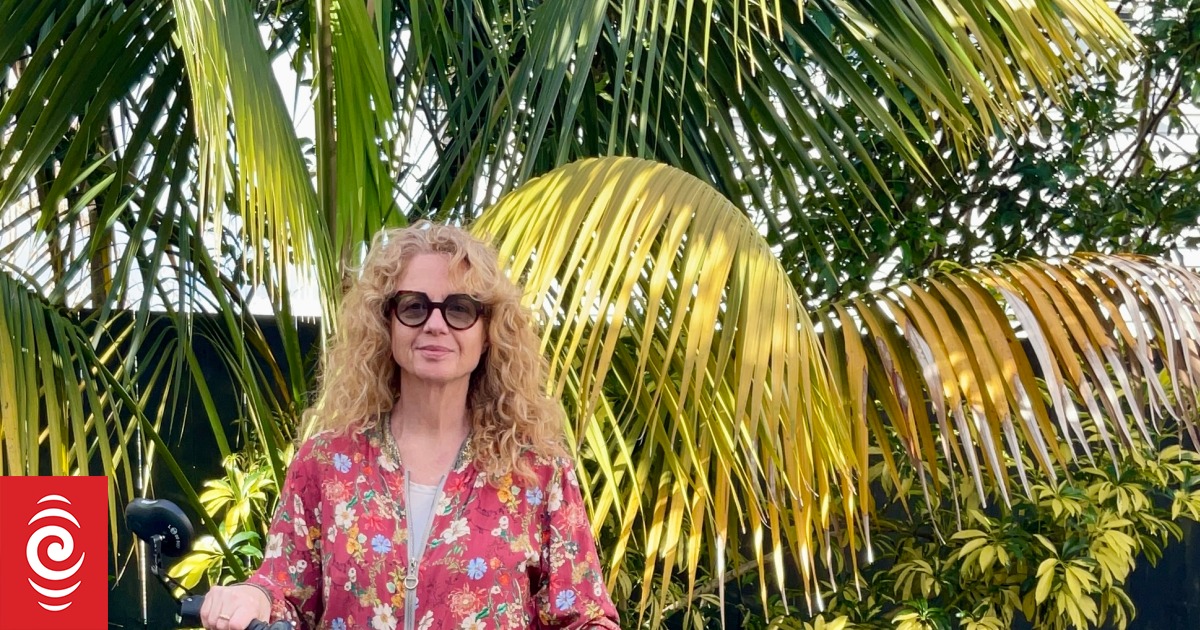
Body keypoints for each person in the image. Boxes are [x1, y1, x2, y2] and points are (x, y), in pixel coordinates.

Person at [200, 223, 621, 630]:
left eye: (460, 309)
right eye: (414, 307)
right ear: (387, 324)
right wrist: (254, 596)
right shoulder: (327, 463)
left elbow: (584, 617)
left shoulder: (536, 471)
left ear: (489, 332)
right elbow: (284, 594)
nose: (435, 325)